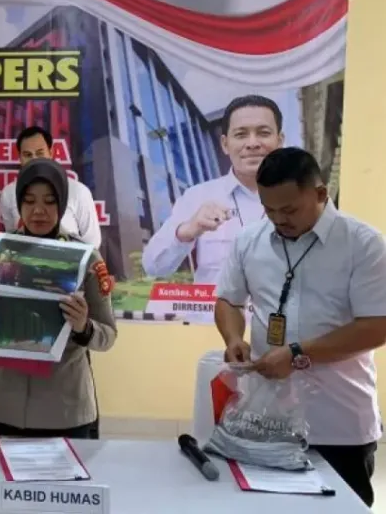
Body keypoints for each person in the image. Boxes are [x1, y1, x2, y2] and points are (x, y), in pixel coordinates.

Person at [214, 147, 386, 507]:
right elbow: (228, 300)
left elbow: (377, 326)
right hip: (265, 421)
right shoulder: (249, 240)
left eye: (289, 210)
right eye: (269, 209)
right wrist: (232, 338)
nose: (279, 219)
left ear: (320, 194)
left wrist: (296, 353)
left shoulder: (363, 245)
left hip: (338, 423)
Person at [0, 159, 117, 437]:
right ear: (19, 204)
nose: (39, 210)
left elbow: (108, 335)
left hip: (64, 409)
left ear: (62, 204)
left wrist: (84, 326)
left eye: (49, 201)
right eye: (29, 201)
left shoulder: (85, 258)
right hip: (2, 407)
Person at [142, 95, 284, 284]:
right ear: (225, 144)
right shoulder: (198, 196)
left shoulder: (306, 200)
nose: (252, 143)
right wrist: (188, 230)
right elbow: (153, 266)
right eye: (241, 135)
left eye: (263, 133)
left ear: (279, 141)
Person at [0, 126, 102, 247]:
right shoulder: (9, 193)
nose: (34, 159)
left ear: (51, 152)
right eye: (27, 155)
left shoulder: (79, 191)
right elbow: (12, 239)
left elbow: (92, 243)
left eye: (40, 153)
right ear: (20, 157)